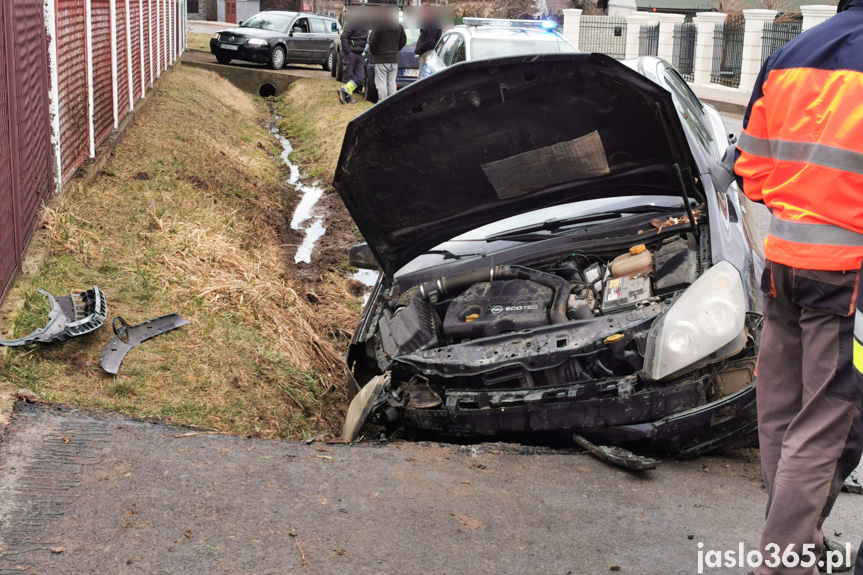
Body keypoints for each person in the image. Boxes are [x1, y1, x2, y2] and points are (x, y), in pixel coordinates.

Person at [734, 0, 863, 573]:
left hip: (782, 263)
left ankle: (795, 541)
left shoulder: (788, 54)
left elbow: (751, 170)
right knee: (828, 418)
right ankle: (783, 561)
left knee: (781, 413)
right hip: (847, 276)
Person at [369, 23, 406, 101]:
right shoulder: (399, 26)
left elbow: (372, 42)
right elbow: (403, 41)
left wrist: (375, 53)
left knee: (381, 83)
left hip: (380, 59)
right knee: (392, 83)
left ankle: (382, 103)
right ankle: (392, 104)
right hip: (393, 59)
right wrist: (395, 50)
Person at [338, 26, 368, 104]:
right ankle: (346, 99)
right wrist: (348, 51)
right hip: (350, 53)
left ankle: (344, 91)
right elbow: (344, 36)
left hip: (359, 53)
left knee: (360, 76)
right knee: (347, 76)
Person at [414, 4, 441, 74]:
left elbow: (430, 41)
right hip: (426, 53)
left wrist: (419, 49)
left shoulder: (433, 23)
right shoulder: (430, 22)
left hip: (427, 53)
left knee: (422, 77)